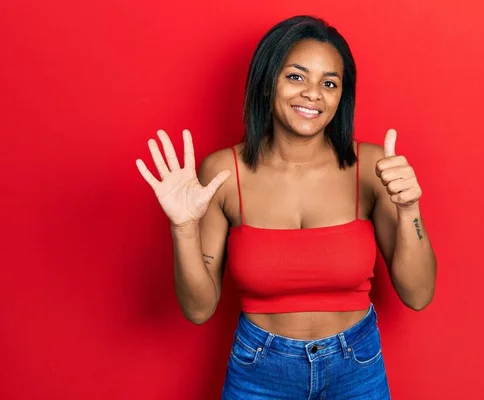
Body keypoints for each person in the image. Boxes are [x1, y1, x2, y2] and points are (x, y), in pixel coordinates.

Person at [135, 15, 436, 400]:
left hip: (356, 368)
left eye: (329, 83)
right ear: (267, 83)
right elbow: (198, 310)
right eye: (296, 76)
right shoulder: (223, 173)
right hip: (259, 371)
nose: (313, 93)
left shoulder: (374, 168)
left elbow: (419, 294)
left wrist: (410, 208)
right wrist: (183, 228)